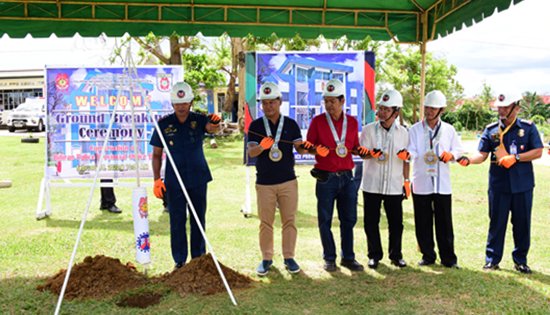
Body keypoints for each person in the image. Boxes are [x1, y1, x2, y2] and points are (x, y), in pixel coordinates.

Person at [463, 92, 543, 274]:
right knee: (496, 223)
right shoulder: (491, 130)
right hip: (499, 186)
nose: (501, 110)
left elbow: (538, 151)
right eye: (500, 107)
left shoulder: (528, 128)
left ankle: (520, 260)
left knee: (522, 224)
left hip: (522, 185)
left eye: (506, 107)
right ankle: (492, 260)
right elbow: (481, 154)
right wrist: (468, 160)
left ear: (517, 108)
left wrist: (515, 157)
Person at [150, 81, 221, 269]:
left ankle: (198, 260)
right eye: (177, 104)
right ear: (172, 104)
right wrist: (157, 179)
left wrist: (215, 122)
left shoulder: (199, 119)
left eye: (185, 103)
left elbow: (212, 128)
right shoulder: (164, 124)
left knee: (198, 219)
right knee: (177, 220)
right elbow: (156, 154)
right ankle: (179, 261)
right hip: (174, 181)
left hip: (198, 178)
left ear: (190, 103)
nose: (181, 107)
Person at [247, 82, 310, 276]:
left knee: (289, 220)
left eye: (271, 102)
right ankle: (266, 258)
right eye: (264, 103)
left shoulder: (290, 124)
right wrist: (262, 147)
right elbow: (251, 152)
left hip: (287, 181)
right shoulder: (256, 125)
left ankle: (289, 257)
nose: (268, 107)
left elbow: (300, 147)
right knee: (266, 222)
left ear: (279, 102)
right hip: (264, 182)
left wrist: (308, 147)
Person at [306, 78, 368, 272]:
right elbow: (307, 147)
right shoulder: (317, 121)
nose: (329, 105)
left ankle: (348, 257)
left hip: (347, 177)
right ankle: (329, 258)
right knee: (325, 219)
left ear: (342, 101)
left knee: (349, 219)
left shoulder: (352, 122)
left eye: (333, 101)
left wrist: (361, 151)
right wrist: (316, 150)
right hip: (326, 178)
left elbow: (353, 147)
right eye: (326, 101)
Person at [408, 90, 464, 269]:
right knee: (422, 220)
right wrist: (407, 154)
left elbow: (458, 151)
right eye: (427, 108)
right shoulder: (415, 129)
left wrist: (451, 155)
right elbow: (411, 150)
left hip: (442, 183)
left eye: (434, 108)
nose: (429, 111)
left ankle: (448, 258)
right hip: (422, 180)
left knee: (444, 222)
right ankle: (427, 255)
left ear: (441, 110)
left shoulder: (449, 129)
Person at [359, 90, 410, 269]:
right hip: (372, 183)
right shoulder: (368, 130)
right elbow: (362, 154)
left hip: (394, 184)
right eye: (380, 108)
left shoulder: (404, 133)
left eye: (386, 110)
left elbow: (406, 159)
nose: (381, 113)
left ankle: (396, 255)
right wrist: (369, 154)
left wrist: (407, 181)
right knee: (371, 222)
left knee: (396, 223)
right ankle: (374, 255)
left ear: (396, 112)